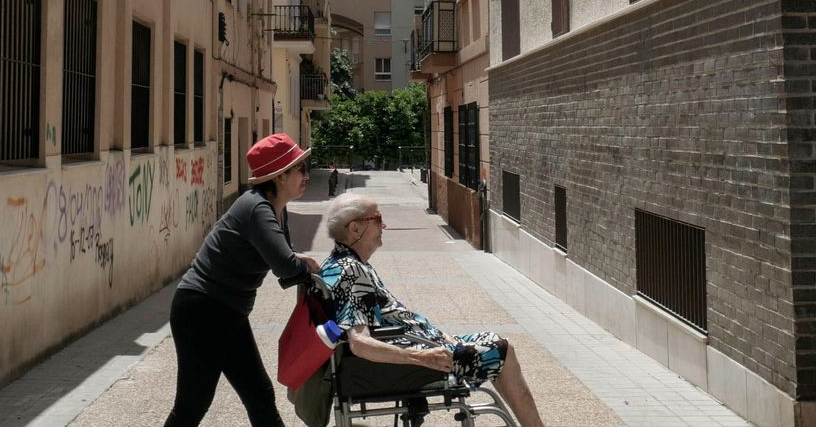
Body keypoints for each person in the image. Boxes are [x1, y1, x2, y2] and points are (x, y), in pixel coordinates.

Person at [317, 192, 547, 427]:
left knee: (495, 346)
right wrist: (422, 357)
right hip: (421, 361)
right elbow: (359, 343)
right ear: (355, 228)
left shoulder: (341, 263)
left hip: (423, 349)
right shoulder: (351, 272)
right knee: (502, 350)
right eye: (377, 219)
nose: (383, 225)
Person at [164, 133, 320, 427]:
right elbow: (286, 265)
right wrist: (303, 265)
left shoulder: (274, 208)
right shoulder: (256, 208)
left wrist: (298, 264)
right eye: (300, 168)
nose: (306, 175)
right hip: (202, 311)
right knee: (193, 403)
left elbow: (283, 261)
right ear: (280, 176)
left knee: (259, 394)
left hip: (228, 310)